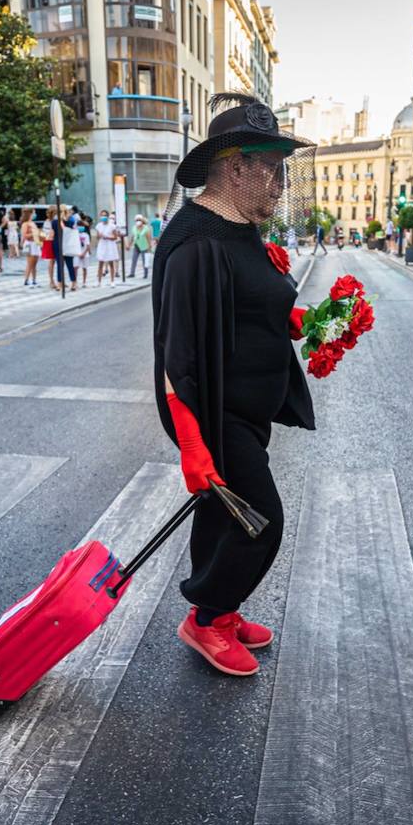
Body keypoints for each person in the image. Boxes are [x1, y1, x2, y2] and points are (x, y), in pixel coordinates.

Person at [153, 93, 315, 677]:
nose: (279, 181)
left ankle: (220, 610)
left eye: (281, 168)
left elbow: (250, 305)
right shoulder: (195, 243)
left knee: (224, 514)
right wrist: (193, 446)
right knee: (261, 519)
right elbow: (178, 356)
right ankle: (205, 620)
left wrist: (305, 324)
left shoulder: (241, 227)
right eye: (269, 167)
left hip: (248, 407)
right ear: (234, 167)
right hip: (213, 411)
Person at [94, 209, 122, 286]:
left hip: (110, 245)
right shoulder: (98, 226)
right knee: (100, 263)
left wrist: (107, 237)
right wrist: (99, 236)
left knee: (111, 263)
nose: (103, 217)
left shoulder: (112, 226)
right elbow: (97, 237)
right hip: (102, 245)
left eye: (105, 215)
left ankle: (112, 281)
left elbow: (115, 237)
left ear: (107, 216)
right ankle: (99, 282)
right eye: (102, 215)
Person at [21, 208, 42, 286]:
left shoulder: (33, 223)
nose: (34, 214)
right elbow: (24, 235)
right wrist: (34, 233)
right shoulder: (25, 224)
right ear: (30, 213)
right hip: (29, 244)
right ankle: (26, 279)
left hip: (35, 243)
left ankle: (34, 280)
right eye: (33, 213)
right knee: (30, 263)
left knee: (35, 263)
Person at [129, 214, 153, 278]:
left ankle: (145, 274)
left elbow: (149, 238)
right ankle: (132, 273)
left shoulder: (146, 228)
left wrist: (149, 247)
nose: (138, 221)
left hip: (144, 246)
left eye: (139, 220)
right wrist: (129, 244)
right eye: (136, 220)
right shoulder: (134, 227)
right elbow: (132, 236)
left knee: (145, 260)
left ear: (142, 220)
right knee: (134, 259)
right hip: (136, 245)